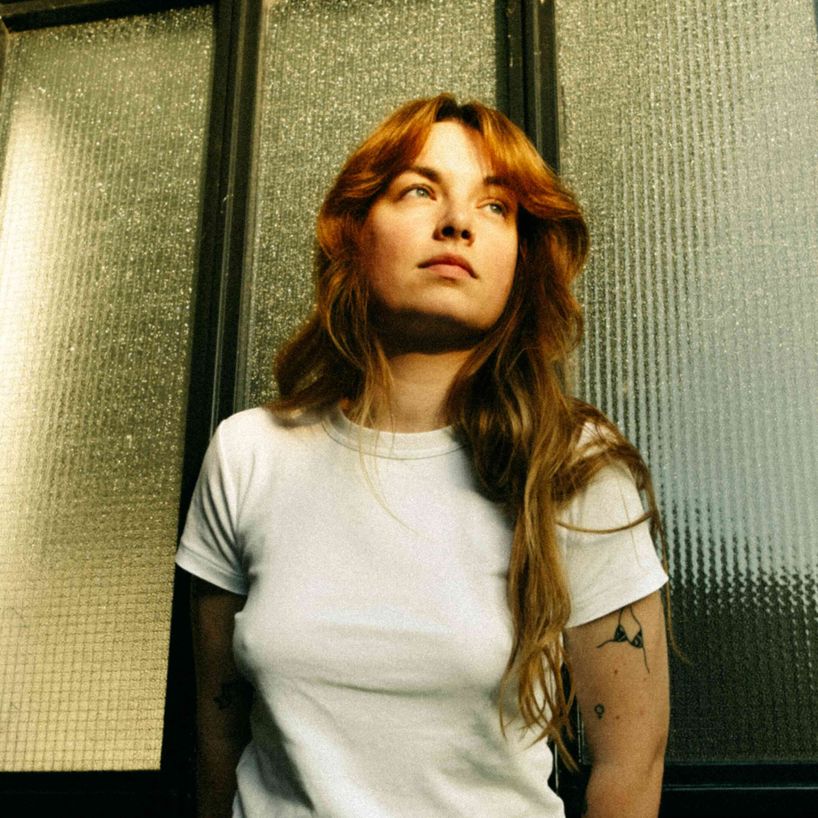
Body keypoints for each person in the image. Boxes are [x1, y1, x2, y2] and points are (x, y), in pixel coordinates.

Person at [177, 94, 670, 818]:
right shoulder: (247, 453)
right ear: (354, 232)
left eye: (495, 206)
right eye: (419, 190)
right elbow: (216, 736)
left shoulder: (574, 466)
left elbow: (631, 762)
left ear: (522, 259)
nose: (458, 222)